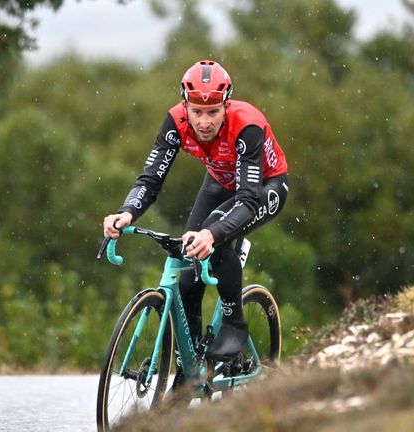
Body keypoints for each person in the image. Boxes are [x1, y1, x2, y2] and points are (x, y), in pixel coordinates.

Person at [102, 59, 289, 386]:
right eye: (197, 112)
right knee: (188, 273)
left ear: (226, 107)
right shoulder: (175, 121)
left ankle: (234, 322)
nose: (204, 121)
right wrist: (127, 211)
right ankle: (190, 374)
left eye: (213, 112)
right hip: (219, 179)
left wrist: (214, 234)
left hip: (263, 187)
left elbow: (247, 200)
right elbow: (150, 179)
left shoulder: (247, 125)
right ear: (185, 105)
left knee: (212, 241)